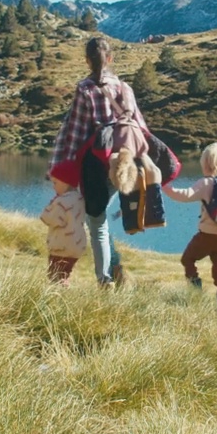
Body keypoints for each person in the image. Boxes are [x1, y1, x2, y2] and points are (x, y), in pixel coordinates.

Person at [49, 37, 151, 286]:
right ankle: (115, 273)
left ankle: (105, 280)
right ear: (110, 59)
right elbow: (140, 127)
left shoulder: (85, 89)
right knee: (100, 217)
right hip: (125, 165)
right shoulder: (125, 88)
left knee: (97, 222)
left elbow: (73, 132)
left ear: (87, 61)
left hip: (96, 164)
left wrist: (57, 166)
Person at [162, 142, 217, 316]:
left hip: (208, 234)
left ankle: (195, 293)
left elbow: (184, 196)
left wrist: (164, 186)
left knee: (187, 259)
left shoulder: (206, 183)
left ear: (206, 164)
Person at [39, 177, 87, 286]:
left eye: (55, 183)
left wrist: (51, 205)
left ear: (65, 184)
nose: (53, 186)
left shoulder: (61, 201)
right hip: (77, 245)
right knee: (65, 273)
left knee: (54, 275)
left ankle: (59, 296)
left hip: (61, 246)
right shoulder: (80, 198)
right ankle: (64, 291)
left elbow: (47, 218)